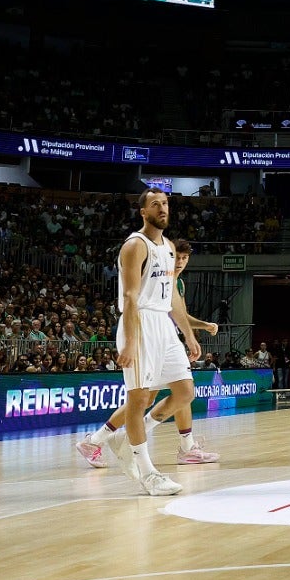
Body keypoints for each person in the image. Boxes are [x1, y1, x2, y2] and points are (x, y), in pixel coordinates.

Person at [76, 239, 220, 468]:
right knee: (144, 398)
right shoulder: (153, 272)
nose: (181, 261)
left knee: (182, 390)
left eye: (185, 258)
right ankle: (99, 440)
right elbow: (135, 301)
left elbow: (178, 313)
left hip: (167, 337)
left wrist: (196, 330)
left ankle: (185, 446)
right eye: (177, 257)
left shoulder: (177, 283)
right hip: (147, 335)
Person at [102, 189, 194, 495]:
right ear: (144, 212)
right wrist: (129, 341)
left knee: (184, 391)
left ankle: (125, 440)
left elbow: (174, 298)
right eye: (155, 205)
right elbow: (129, 296)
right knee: (139, 397)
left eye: (165, 204)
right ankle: (147, 474)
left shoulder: (168, 246)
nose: (162, 208)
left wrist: (189, 334)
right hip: (139, 321)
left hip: (163, 325)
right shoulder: (135, 245)